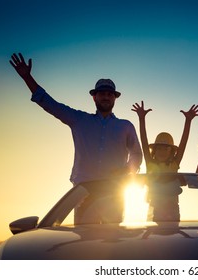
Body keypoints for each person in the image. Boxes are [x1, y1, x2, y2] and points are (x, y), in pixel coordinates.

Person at [9, 53, 143, 223]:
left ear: (115, 98)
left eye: (110, 94)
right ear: (94, 97)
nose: (106, 97)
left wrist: (128, 170)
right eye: (102, 93)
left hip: (114, 195)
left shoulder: (125, 126)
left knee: (114, 243)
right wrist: (27, 77)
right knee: (84, 245)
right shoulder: (79, 120)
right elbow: (51, 105)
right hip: (84, 195)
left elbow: (137, 154)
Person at [132, 101, 198, 223]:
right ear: (154, 150)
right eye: (159, 148)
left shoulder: (174, 163)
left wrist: (188, 121)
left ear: (171, 151)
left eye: (166, 148)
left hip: (172, 209)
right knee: (153, 240)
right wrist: (141, 119)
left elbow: (183, 142)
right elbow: (144, 140)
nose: (162, 151)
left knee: (173, 237)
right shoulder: (150, 163)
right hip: (154, 208)